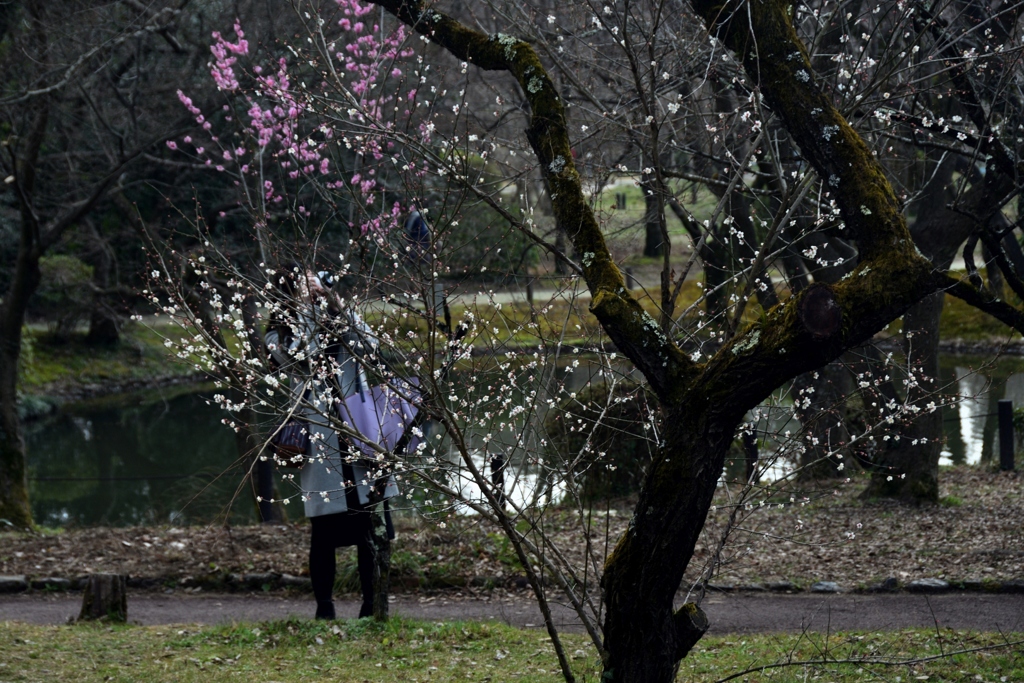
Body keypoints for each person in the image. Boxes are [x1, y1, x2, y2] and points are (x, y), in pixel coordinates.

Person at [265, 264, 398, 620]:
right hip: (319, 439)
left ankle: (372, 606)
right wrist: (306, 313)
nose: (312, 288)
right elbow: (295, 359)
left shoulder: (340, 317)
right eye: (303, 284)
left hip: (360, 431)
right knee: (322, 533)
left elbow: (370, 344)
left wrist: (335, 304)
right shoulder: (279, 332)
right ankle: (325, 607)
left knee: (368, 523)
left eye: (316, 281)